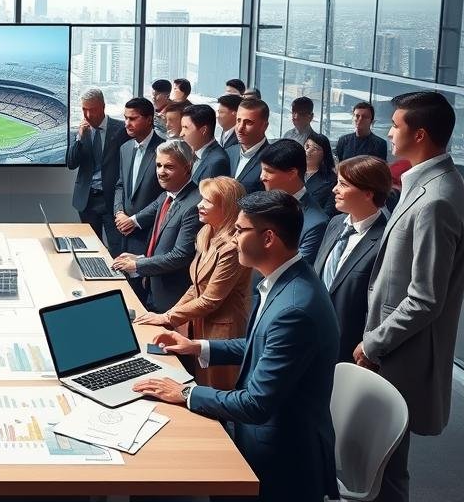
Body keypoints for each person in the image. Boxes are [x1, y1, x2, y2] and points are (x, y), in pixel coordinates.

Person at [135, 190, 339, 502]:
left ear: (268, 238)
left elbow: (255, 405)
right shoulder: (282, 281)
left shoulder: (295, 308)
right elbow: (259, 344)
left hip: (282, 462)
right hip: (267, 436)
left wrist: (186, 393)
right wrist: (198, 347)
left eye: (239, 231)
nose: (232, 238)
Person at [355, 91, 464, 502]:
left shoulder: (438, 198)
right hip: (394, 349)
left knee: (387, 469)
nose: (389, 131)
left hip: (401, 354)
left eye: (395, 125)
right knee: (378, 463)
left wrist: (373, 342)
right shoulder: (425, 183)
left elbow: (425, 297)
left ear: (419, 133)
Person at [135, 176, 250, 389]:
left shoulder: (232, 248)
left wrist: (167, 316)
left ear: (225, 207)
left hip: (221, 332)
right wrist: (167, 317)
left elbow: (210, 299)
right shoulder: (206, 233)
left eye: (207, 201)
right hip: (197, 323)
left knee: (215, 392)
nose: (199, 205)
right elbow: (195, 286)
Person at [314, 155, 390, 364]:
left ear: (368, 192)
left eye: (343, 184)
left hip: (348, 350)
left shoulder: (386, 240)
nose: (334, 189)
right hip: (312, 338)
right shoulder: (336, 223)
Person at [112, 140, 201, 313]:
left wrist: (138, 265)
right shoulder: (165, 196)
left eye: (169, 167)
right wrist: (140, 258)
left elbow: (180, 256)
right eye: (158, 165)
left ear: (188, 167)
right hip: (153, 288)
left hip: (171, 298)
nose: (161, 172)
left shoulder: (193, 205)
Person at [66, 88, 126, 253]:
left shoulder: (120, 129)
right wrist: (79, 138)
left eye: (91, 110)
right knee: (91, 246)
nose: (87, 115)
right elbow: (71, 163)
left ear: (103, 107)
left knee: (116, 247)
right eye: (84, 109)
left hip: (112, 200)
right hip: (87, 199)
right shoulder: (80, 131)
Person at [258, 139, 329, 263]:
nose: (262, 177)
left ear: (292, 173)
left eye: (269, 171)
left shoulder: (315, 223)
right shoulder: (260, 204)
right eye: (262, 170)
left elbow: (294, 268)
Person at [112, 97, 164, 262]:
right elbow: (120, 185)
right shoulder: (125, 148)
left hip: (151, 232)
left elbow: (167, 196)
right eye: (126, 118)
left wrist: (135, 221)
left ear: (149, 119)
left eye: (133, 119)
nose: (127, 123)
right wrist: (119, 212)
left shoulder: (164, 150)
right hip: (124, 231)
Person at [226, 97, 269, 194]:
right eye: (238, 121)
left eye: (248, 122)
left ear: (264, 126)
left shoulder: (272, 160)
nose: (240, 128)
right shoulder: (228, 152)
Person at [181, 104, 229, 183]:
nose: (181, 133)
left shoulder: (216, 163)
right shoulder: (193, 153)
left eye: (185, 128)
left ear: (203, 130)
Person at [304, 130, 338, 217]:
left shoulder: (331, 180)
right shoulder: (292, 172)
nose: (308, 151)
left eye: (315, 148)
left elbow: (329, 212)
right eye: (307, 146)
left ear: (324, 154)